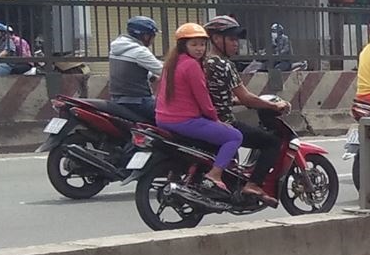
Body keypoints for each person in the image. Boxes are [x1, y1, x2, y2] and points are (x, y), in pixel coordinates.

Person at [203, 16, 290, 199]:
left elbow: (217, 95)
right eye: (232, 39)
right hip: (224, 122)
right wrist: (273, 105)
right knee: (271, 142)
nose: (236, 44)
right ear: (216, 39)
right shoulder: (224, 65)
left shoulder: (203, 63)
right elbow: (247, 98)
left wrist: (233, 101)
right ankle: (253, 184)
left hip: (206, 120)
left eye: (237, 40)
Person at [153, 23, 240, 199]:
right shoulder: (192, 66)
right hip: (184, 121)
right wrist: (216, 119)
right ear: (183, 45)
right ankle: (214, 174)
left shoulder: (171, 64)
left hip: (162, 119)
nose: (199, 49)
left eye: (202, 44)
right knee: (234, 136)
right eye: (194, 44)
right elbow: (203, 98)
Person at [107, 16, 163, 118]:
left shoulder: (117, 47)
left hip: (117, 100)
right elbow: (164, 70)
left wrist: (152, 77)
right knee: (172, 114)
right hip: (138, 102)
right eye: (153, 36)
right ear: (145, 36)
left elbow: (131, 68)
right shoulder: (139, 51)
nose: (153, 40)